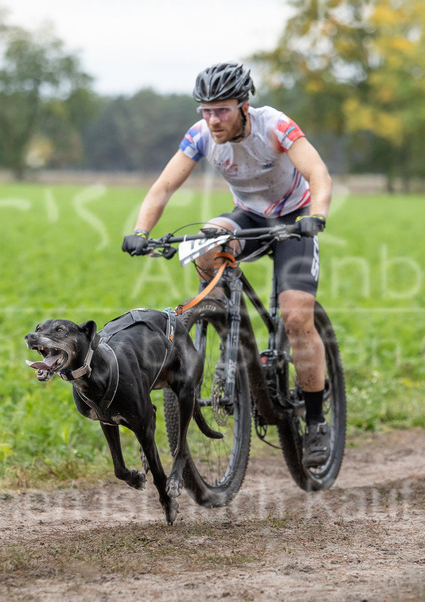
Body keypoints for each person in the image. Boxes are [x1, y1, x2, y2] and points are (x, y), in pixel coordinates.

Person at [121, 61, 334, 469]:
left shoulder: (274, 126)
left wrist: (316, 214)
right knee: (206, 240)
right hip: (248, 215)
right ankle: (222, 316)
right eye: (205, 110)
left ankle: (316, 420)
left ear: (244, 105)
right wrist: (141, 231)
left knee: (294, 316)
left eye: (221, 109)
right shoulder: (201, 135)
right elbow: (164, 186)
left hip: (294, 217)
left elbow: (317, 172)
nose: (212, 119)